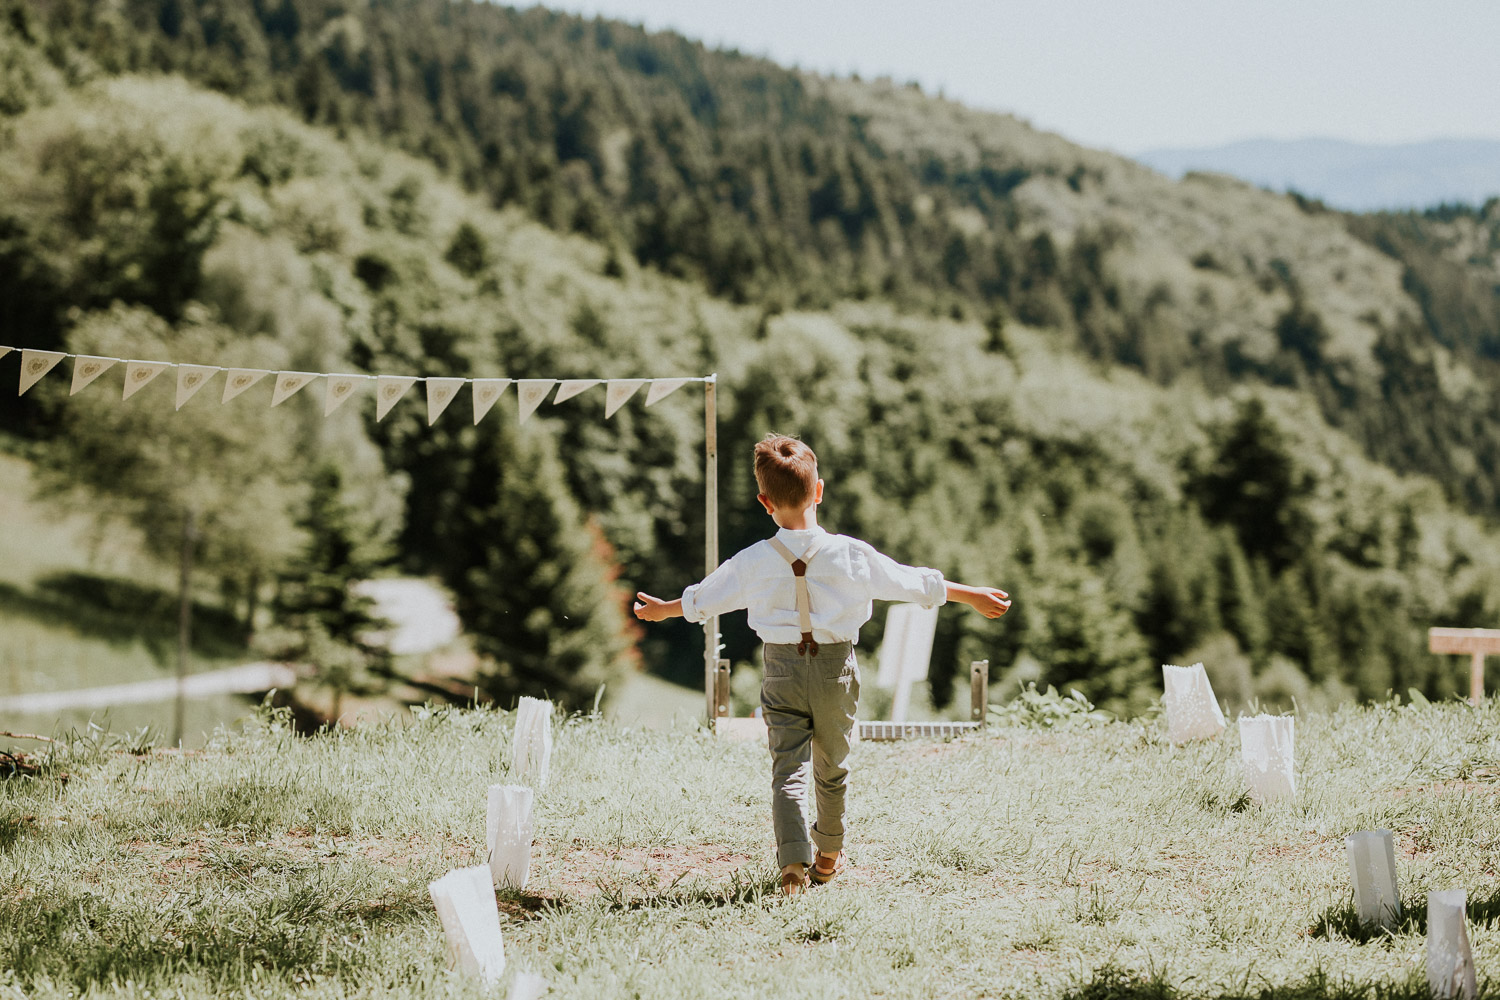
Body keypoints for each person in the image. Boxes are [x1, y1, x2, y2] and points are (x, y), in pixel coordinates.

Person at [633, 434, 1010, 896]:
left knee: (787, 767)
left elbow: (703, 600)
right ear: (820, 491)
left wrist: (661, 609)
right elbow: (912, 583)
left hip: (781, 670)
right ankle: (828, 856)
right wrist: (971, 595)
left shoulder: (752, 561)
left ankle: (793, 863)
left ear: (764, 502)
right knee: (833, 764)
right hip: (836, 670)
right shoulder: (852, 554)